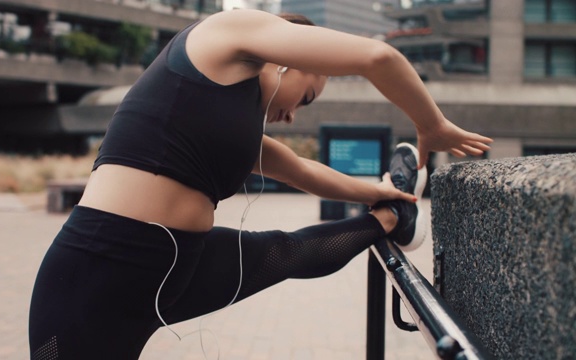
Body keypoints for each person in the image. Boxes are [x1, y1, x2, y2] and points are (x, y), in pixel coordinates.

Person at [28, 9, 493, 359]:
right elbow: (378, 56)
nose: (292, 115)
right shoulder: (225, 35)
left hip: (175, 270)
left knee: (288, 253)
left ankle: (393, 214)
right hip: (96, 271)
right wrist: (430, 126)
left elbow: (303, 171)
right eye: (305, 98)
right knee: (287, 252)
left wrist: (380, 191)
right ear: (295, 59)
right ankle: (391, 212)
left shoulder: (233, 123)